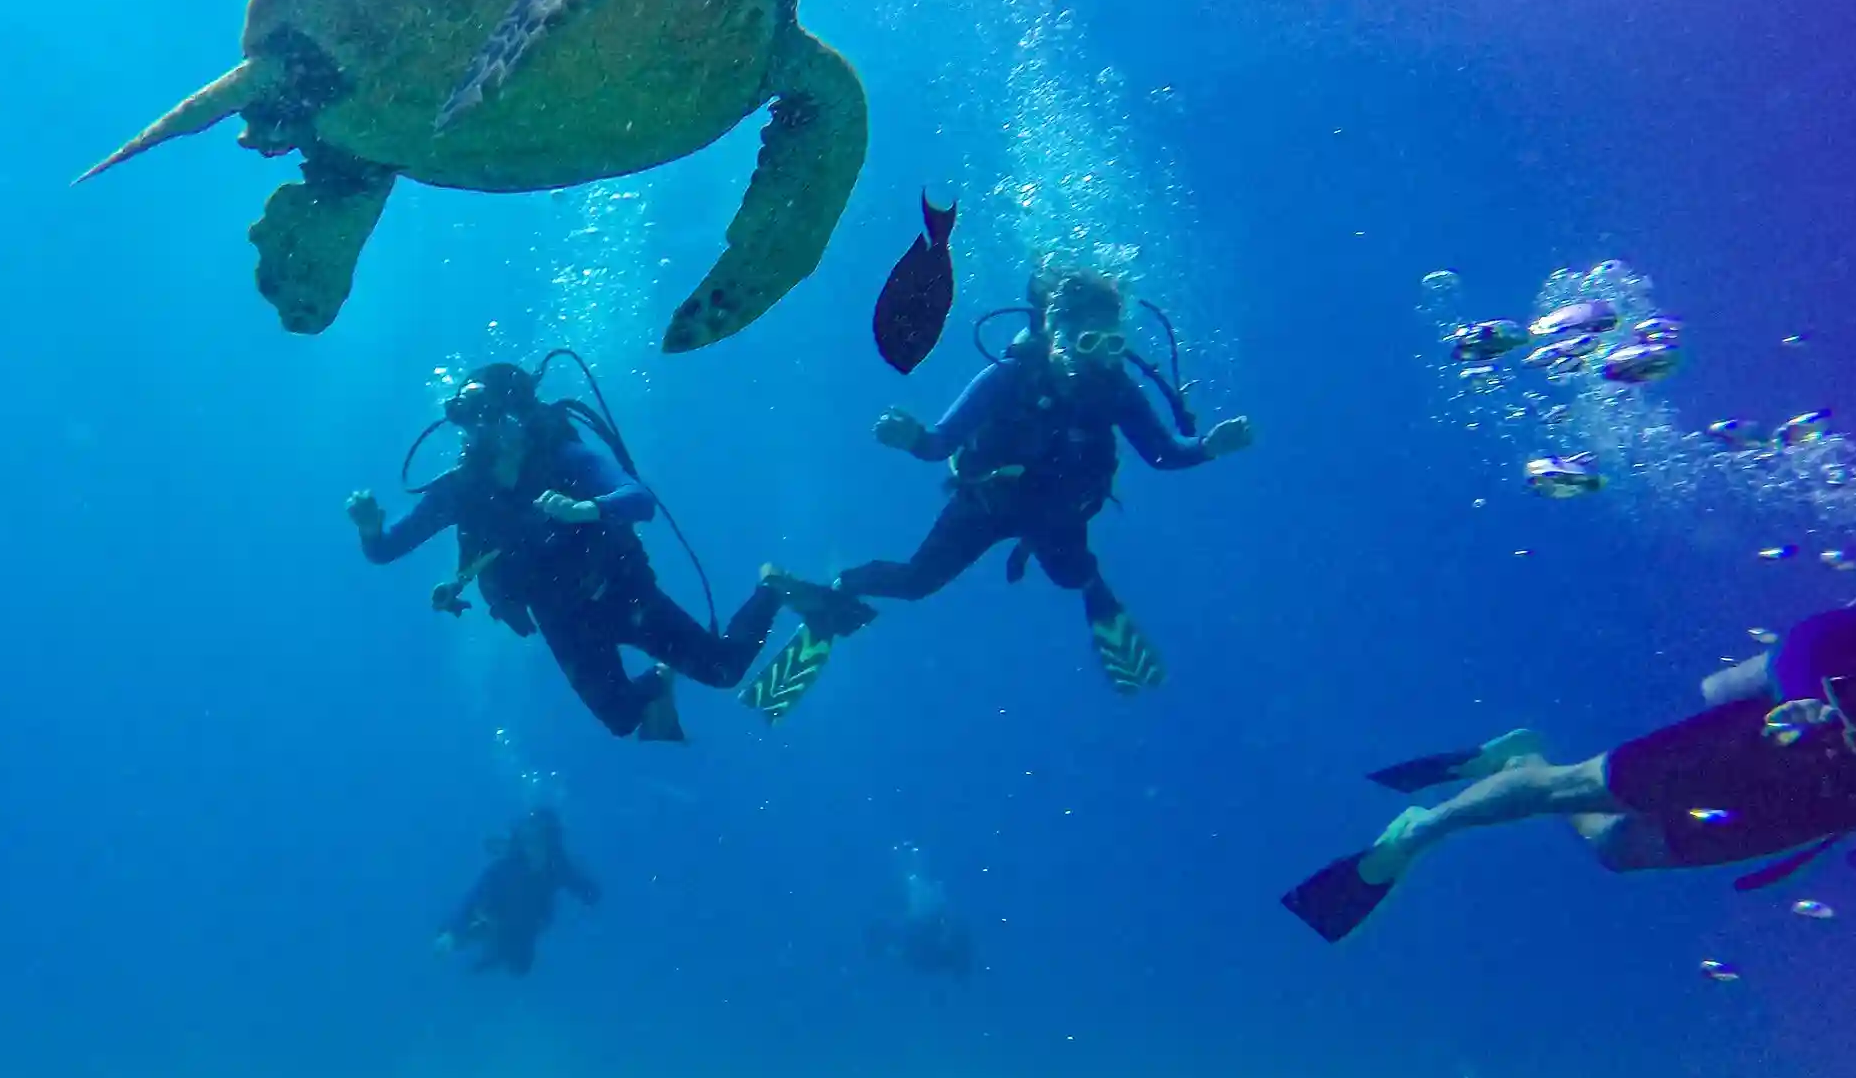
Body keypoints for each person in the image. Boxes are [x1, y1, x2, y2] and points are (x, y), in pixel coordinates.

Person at [1283, 583, 1856, 943]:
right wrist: (1803, 704)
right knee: (1569, 790)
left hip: (1831, 804)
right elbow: (1815, 638)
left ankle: (1521, 755)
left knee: (1618, 849)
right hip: (1781, 738)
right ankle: (1422, 829)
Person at [349, 360, 866, 742]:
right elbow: (387, 550)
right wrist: (371, 528)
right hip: (562, 619)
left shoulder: (565, 458)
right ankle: (659, 686)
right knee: (621, 719)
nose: (479, 430)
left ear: (519, 414)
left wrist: (588, 509)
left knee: (723, 670)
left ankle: (772, 588)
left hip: (620, 591)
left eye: (488, 414)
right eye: (468, 419)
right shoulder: (459, 489)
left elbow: (639, 500)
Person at [836, 266, 1252, 693]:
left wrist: (1207, 447)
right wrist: (913, 438)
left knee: (1073, 575)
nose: (1099, 358)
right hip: (989, 502)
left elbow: (1161, 454)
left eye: (1112, 343)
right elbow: (941, 444)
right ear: (1056, 335)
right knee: (916, 582)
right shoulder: (1011, 376)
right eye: (1087, 341)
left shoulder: (1117, 389)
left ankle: (1094, 592)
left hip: (1056, 511)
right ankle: (843, 587)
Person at [435, 806, 599, 976]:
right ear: (522, 841)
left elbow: (587, 889)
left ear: (552, 843)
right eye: (530, 841)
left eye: (542, 841)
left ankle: (491, 958)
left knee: (519, 968)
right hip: (495, 918)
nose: (535, 848)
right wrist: (451, 932)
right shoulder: (505, 868)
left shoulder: (558, 867)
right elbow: (473, 899)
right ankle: (481, 955)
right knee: (476, 939)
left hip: (530, 925)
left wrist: (588, 895)